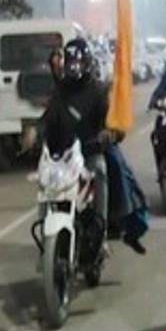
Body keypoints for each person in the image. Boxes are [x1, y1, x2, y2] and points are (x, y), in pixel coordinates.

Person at [35, 38, 112, 228]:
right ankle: (44, 220)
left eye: (78, 62)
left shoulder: (98, 90)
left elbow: (108, 121)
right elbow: (48, 117)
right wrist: (36, 132)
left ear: (86, 62)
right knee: (44, 178)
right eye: (71, 62)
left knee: (100, 170)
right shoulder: (61, 91)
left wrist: (106, 132)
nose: (74, 67)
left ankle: (100, 229)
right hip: (63, 155)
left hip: (88, 152)